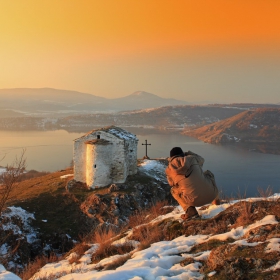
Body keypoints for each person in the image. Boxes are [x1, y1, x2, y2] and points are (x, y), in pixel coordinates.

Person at [165, 147, 219, 221]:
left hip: (193, 201)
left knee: (174, 190)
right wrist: (188, 153)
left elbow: (172, 184)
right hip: (212, 194)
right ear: (183, 154)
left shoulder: (169, 170)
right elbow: (202, 160)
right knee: (208, 173)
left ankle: (191, 212)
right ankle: (216, 200)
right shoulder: (192, 158)